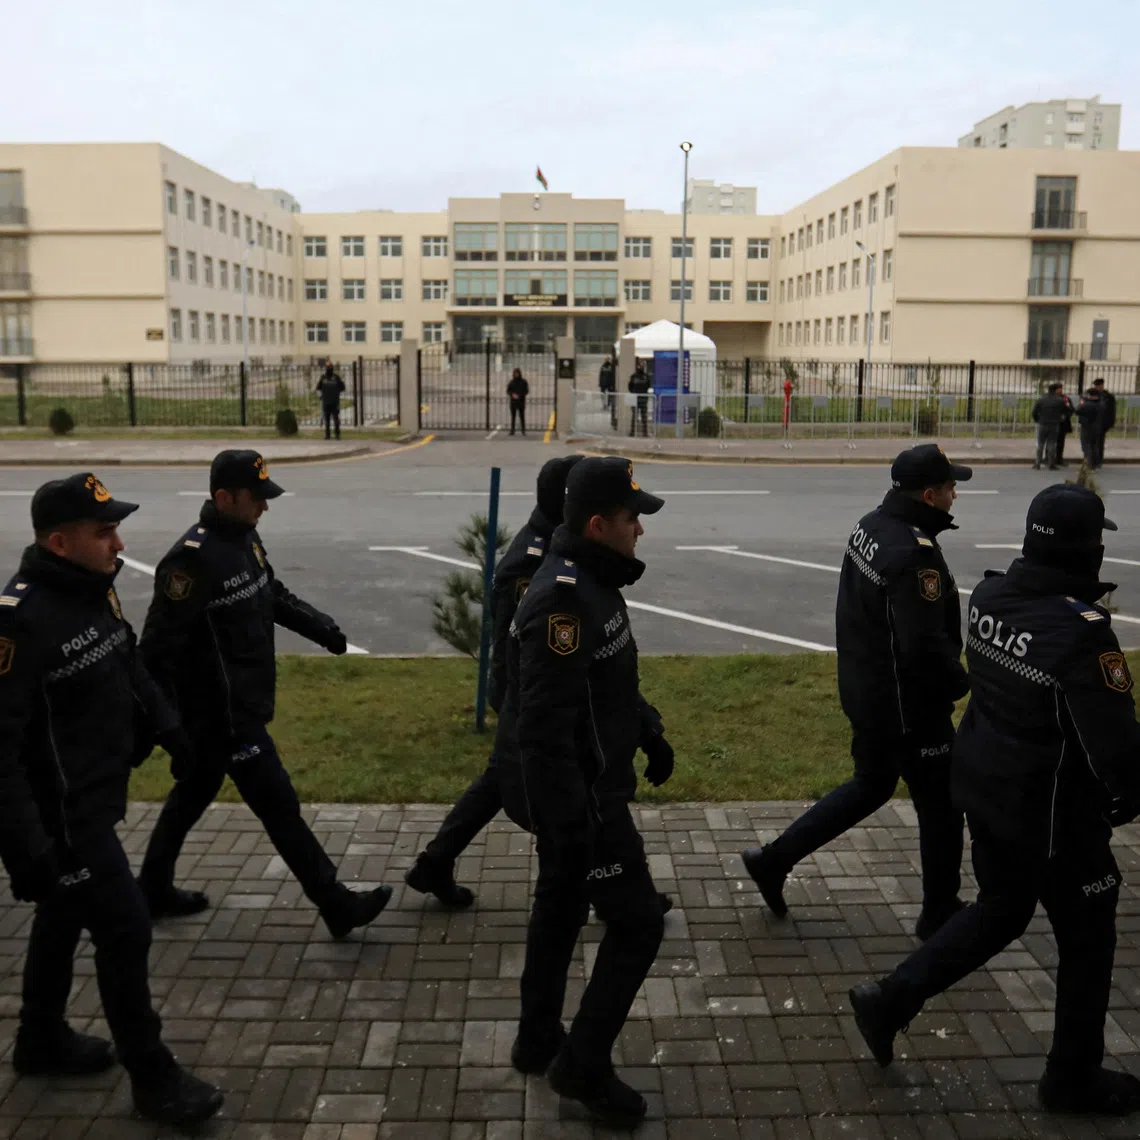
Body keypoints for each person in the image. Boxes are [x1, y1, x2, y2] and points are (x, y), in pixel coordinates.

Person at [849, 484, 1140, 1117]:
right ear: (1087, 551)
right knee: (1089, 937)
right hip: (1052, 818)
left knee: (1004, 907)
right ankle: (1072, 1078)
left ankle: (890, 998)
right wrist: (1125, 798)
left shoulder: (990, 595)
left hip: (984, 788)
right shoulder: (1082, 634)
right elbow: (1116, 749)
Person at [0, 473, 223, 1128]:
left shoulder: (92, 591)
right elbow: (1, 753)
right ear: (60, 541)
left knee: (65, 914)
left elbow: (127, 664)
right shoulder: (19, 624)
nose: (119, 543)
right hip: (62, 821)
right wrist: (30, 852)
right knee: (124, 926)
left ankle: (39, 1040)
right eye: (105, 532)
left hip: (95, 798)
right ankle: (154, 1079)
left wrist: (172, 730)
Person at [136, 449, 393, 939]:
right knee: (279, 805)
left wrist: (324, 628)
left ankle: (151, 888)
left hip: (243, 704)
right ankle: (335, 903)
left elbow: (270, 593)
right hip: (221, 716)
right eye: (257, 498)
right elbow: (156, 652)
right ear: (223, 497)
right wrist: (167, 728)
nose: (265, 507)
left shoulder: (244, 538)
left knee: (194, 792)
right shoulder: (189, 561)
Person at [497, 456, 673, 1128]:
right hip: (582, 799)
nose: (641, 532)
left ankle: (538, 1035)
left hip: (584, 788)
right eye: (634, 520)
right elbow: (543, 730)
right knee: (638, 922)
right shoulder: (564, 602)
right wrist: (577, 826)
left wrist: (647, 730)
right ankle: (583, 1065)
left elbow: (606, 682)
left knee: (561, 904)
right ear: (599, 524)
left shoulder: (593, 578)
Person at [742, 444, 971, 941]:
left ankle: (773, 860)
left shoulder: (872, 524)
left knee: (872, 784)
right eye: (951, 488)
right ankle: (939, 911)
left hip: (868, 691)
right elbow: (922, 648)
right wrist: (962, 683)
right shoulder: (915, 556)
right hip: (908, 707)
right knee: (943, 803)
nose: (956, 496)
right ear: (928, 495)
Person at [404, 455, 583, 909]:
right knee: (553, 793)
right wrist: (517, 705)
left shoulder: (555, 543)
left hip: (524, 695)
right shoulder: (532, 560)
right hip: (525, 694)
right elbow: (516, 643)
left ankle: (434, 865)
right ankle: (609, 890)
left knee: (497, 782)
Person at [1031, 381, 1067, 470]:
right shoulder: (1060, 401)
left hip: (1042, 423)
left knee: (1040, 444)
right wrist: (1060, 419)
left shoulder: (1041, 399)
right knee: (1052, 444)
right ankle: (1051, 464)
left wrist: (1037, 420)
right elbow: (1065, 411)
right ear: (1056, 390)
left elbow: (1034, 412)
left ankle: (1037, 463)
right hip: (1054, 424)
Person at [315, 361, 346, 441]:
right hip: (326, 402)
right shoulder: (323, 377)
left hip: (335, 402)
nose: (329, 369)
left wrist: (337, 393)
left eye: (330, 367)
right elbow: (318, 388)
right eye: (328, 367)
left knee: (336, 419)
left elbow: (343, 387)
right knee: (327, 419)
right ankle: (327, 435)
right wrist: (321, 396)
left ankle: (337, 435)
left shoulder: (336, 377)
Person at [1077, 386, 1106, 468]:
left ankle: (1088, 463)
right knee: (1094, 445)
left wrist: (1082, 403)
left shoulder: (1087, 404)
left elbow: (1077, 410)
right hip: (1097, 427)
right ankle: (1095, 463)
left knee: (1086, 445)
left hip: (1087, 427)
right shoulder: (1101, 404)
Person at [1092, 376, 1117, 467]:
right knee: (1092, 442)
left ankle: (1098, 460)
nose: (1097, 387)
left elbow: (1111, 411)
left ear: (1102, 385)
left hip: (1102, 423)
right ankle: (1093, 459)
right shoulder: (1093, 395)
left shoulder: (1108, 397)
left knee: (1099, 442)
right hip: (1092, 422)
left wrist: (1110, 423)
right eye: (1096, 386)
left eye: (1098, 385)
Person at [628, 360, 650, 437]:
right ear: (637, 366)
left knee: (644, 417)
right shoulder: (633, 376)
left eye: (642, 365)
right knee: (634, 417)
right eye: (639, 365)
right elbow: (630, 387)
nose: (641, 367)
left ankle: (645, 433)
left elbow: (648, 386)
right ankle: (632, 432)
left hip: (643, 399)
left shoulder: (646, 377)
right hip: (635, 399)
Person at [1056, 387, 1075, 467]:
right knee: (1050, 442)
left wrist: (1066, 416)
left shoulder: (1065, 398)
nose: (1059, 390)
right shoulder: (1050, 398)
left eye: (1060, 388)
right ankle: (1049, 458)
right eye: (1058, 389)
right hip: (1053, 422)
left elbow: (1071, 409)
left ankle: (1059, 459)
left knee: (1060, 442)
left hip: (1063, 424)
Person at [507, 368, 529, 436]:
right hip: (513, 402)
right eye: (515, 373)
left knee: (522, 416)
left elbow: (526, 391)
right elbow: (508, 391)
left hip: (521, 402)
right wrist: (512, 394)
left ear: (519, 374)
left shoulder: (524, 382)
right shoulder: (511, 382)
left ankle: (523, 430)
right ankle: (512, 430)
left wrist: (520, 395)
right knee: (513, 417)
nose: (516, 374)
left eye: (517, 373)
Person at [598, 354, 617, 429]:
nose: (606, 360)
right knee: (603, 395)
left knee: (610, 395)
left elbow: (613, 375)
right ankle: (604, 405)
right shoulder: (603, 366)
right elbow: (600, 375)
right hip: (603, 383)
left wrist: (613, 383)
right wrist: (600, 383)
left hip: (609, 383)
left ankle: (608, 404)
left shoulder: (612, 367)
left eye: (607, 359)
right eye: (605, 359)